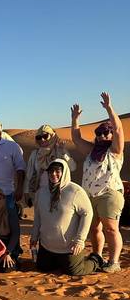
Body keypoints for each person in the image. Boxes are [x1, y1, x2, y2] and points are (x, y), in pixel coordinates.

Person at [71, 92, 125, 273]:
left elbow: (118, 129)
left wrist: (109, 108)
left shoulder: (115, 151)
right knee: (93, 228)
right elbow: (77, 139)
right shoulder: (92, 151)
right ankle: (97, 256)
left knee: (110, 228)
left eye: (105, 133)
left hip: (109, 193)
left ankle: (114, 262)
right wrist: (75, 120)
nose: (102, 136)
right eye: (99, 133)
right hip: (89, 195)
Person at [31, 159, 101, 276]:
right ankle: (59, 262)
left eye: (57, 171)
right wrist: (34, 236)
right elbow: (38, 216)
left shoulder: (75, 191)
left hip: (68, 248)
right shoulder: (41, 192)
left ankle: (95, 260)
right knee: (42, 267)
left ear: (64, 172)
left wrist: (80, 240)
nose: (54, 174)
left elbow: (87, 213)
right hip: (47, 246)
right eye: (51, 171)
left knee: (75, 271)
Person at [24, 125, 76, 207]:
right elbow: (29, 174)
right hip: (40, 193)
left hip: (59, 194)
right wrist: (26, 192)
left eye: (45, 136)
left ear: (52, 136)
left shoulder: (60, 151)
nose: (42, 140)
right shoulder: (35, 154)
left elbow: (72, 168)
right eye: (39, 137)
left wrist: (64, 153)